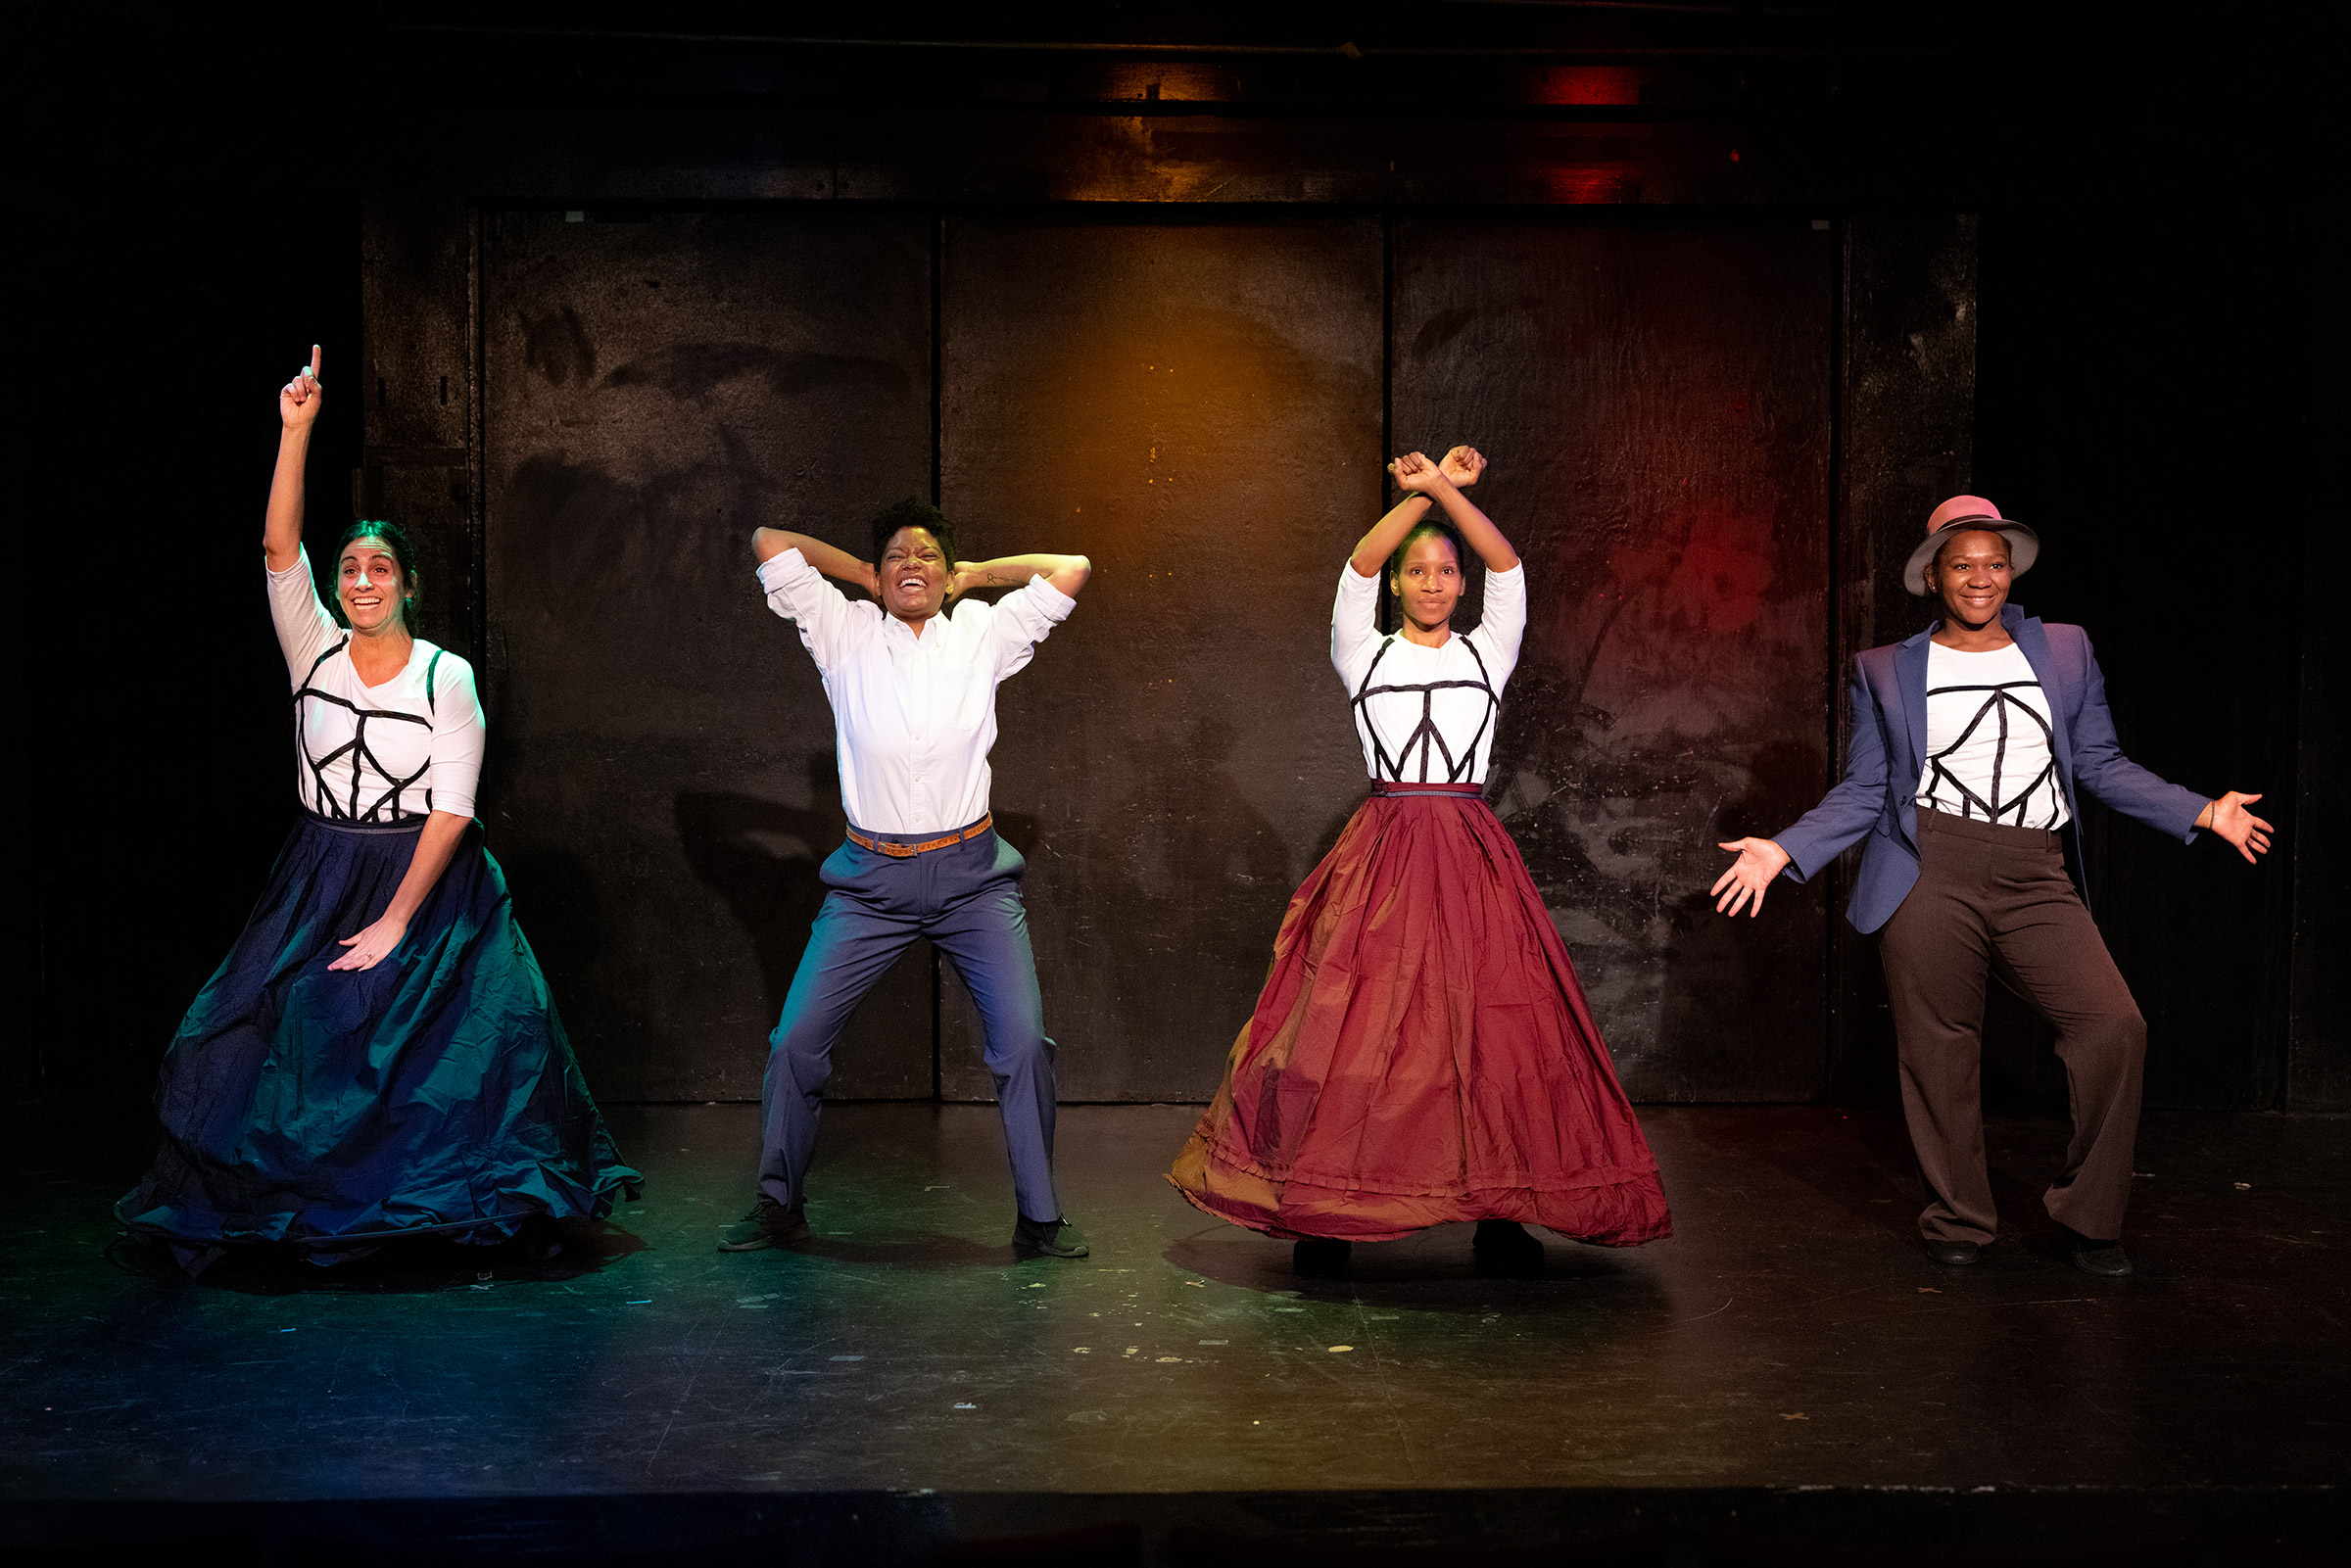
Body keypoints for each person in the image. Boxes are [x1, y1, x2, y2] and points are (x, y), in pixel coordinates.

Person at [118, 347, 641, 1274]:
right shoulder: (312, 648)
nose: (362, 580)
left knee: (475, 1045)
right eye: (351, 568)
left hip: (429, 874)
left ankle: (459, 1211)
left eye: (380, 568)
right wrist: (297, 430)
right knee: (254, 1027)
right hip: (321, 868)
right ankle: (301, 1202)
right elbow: (279, 548)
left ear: (408, 584)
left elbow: (454, 808)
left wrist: (397, 920)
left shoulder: (447, 677)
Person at [1709, 497, 2274, 1276]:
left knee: (2114, 1026)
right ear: (1933, 576)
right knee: (1940, 1048)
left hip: (2034, 867)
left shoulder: (2065, 649)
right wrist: (1785, 848)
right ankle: (1959, 1216)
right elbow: (1867, 788)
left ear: (2011, 572)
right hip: (1929, 863)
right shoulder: (1885, 668)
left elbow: (2099, 762)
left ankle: (2089, 1216)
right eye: (1963, 564)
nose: (1982, 577)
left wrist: (2202, 811)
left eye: (1995, 563)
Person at [1168, 448, 1671, 1274]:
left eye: (1445, 571)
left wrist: (1444, 491)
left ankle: (1498, 1211)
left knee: (1490, 1032)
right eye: (1418, 572)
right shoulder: (1361, 652)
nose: (1433, 582)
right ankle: (1329, 1213)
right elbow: (1355, 567)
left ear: (1460, 585)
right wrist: (1419, 497)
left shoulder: (1488, 652)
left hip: (1469, 853)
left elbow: (1508, 565)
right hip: (1387, 854)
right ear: (1398, 586)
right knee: (1352, 1033)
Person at [723, 499, 1093, 1259]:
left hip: (972, 879)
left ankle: (1039, 1216)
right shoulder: (844, 631)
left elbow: (1072, 568)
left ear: (948, 575)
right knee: (795, 1042)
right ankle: (777, 1202)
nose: (911, 566)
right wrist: (861, 574)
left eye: (927, 556)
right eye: (896, 556)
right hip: (871, 882)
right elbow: (769, 540)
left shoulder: (982, 633)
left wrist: (972, 578)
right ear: (876, 574)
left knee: (1024, 1044)